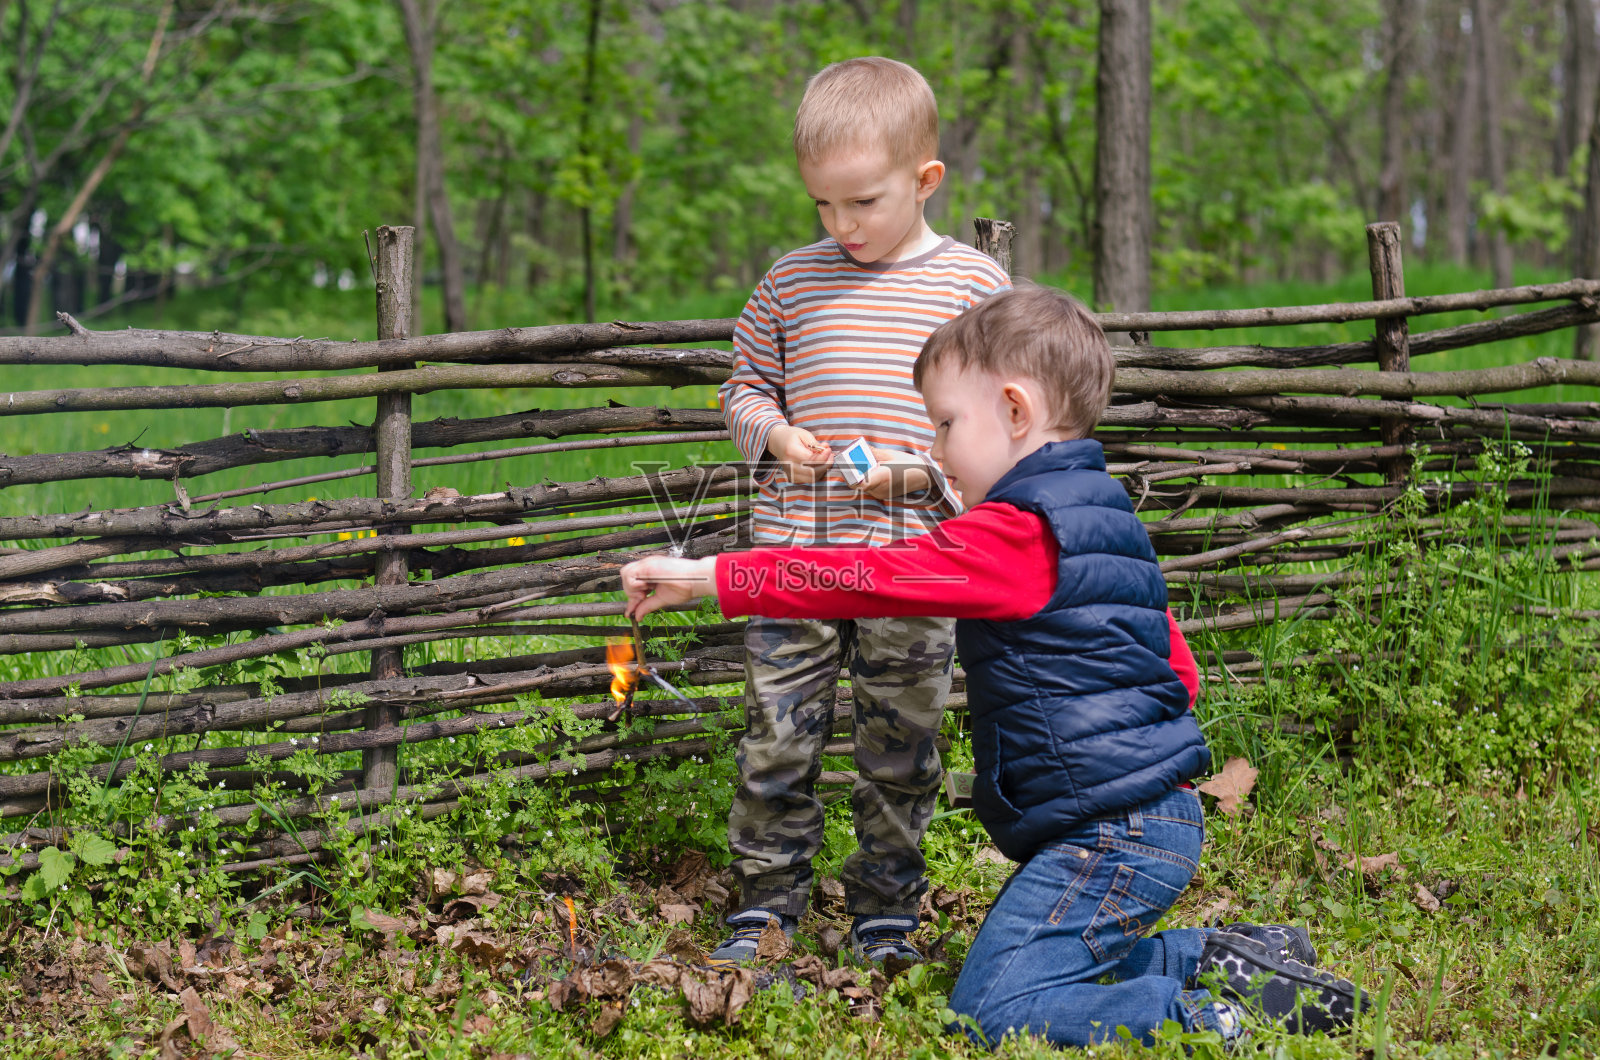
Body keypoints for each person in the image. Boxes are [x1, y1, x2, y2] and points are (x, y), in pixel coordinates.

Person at [622, 286, 1369, 1046]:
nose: (937, 451)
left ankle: (1207, 1022)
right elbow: (1178, 671)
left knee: (993, 1009)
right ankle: (1226, 958)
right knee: (1035, 970)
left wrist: (711, 578)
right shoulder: (1100, 510)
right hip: (1149, 819)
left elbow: (862, 576)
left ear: (1015, 412)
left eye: (945, 425)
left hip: (1110, 836)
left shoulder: (1010, 536)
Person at [704, 56, 1011, 968]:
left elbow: (1001, 435)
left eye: (864, 204)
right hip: (797, 554)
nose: (842, 226)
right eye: (823, 207)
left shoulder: (971, 290)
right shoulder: (791, 284)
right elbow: (744, 385)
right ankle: (766, 908)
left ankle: (885, 910)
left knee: (901, 743)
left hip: (914, 559)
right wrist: (775, 437)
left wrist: (922, 478)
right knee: (776, 734)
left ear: (926, 181)